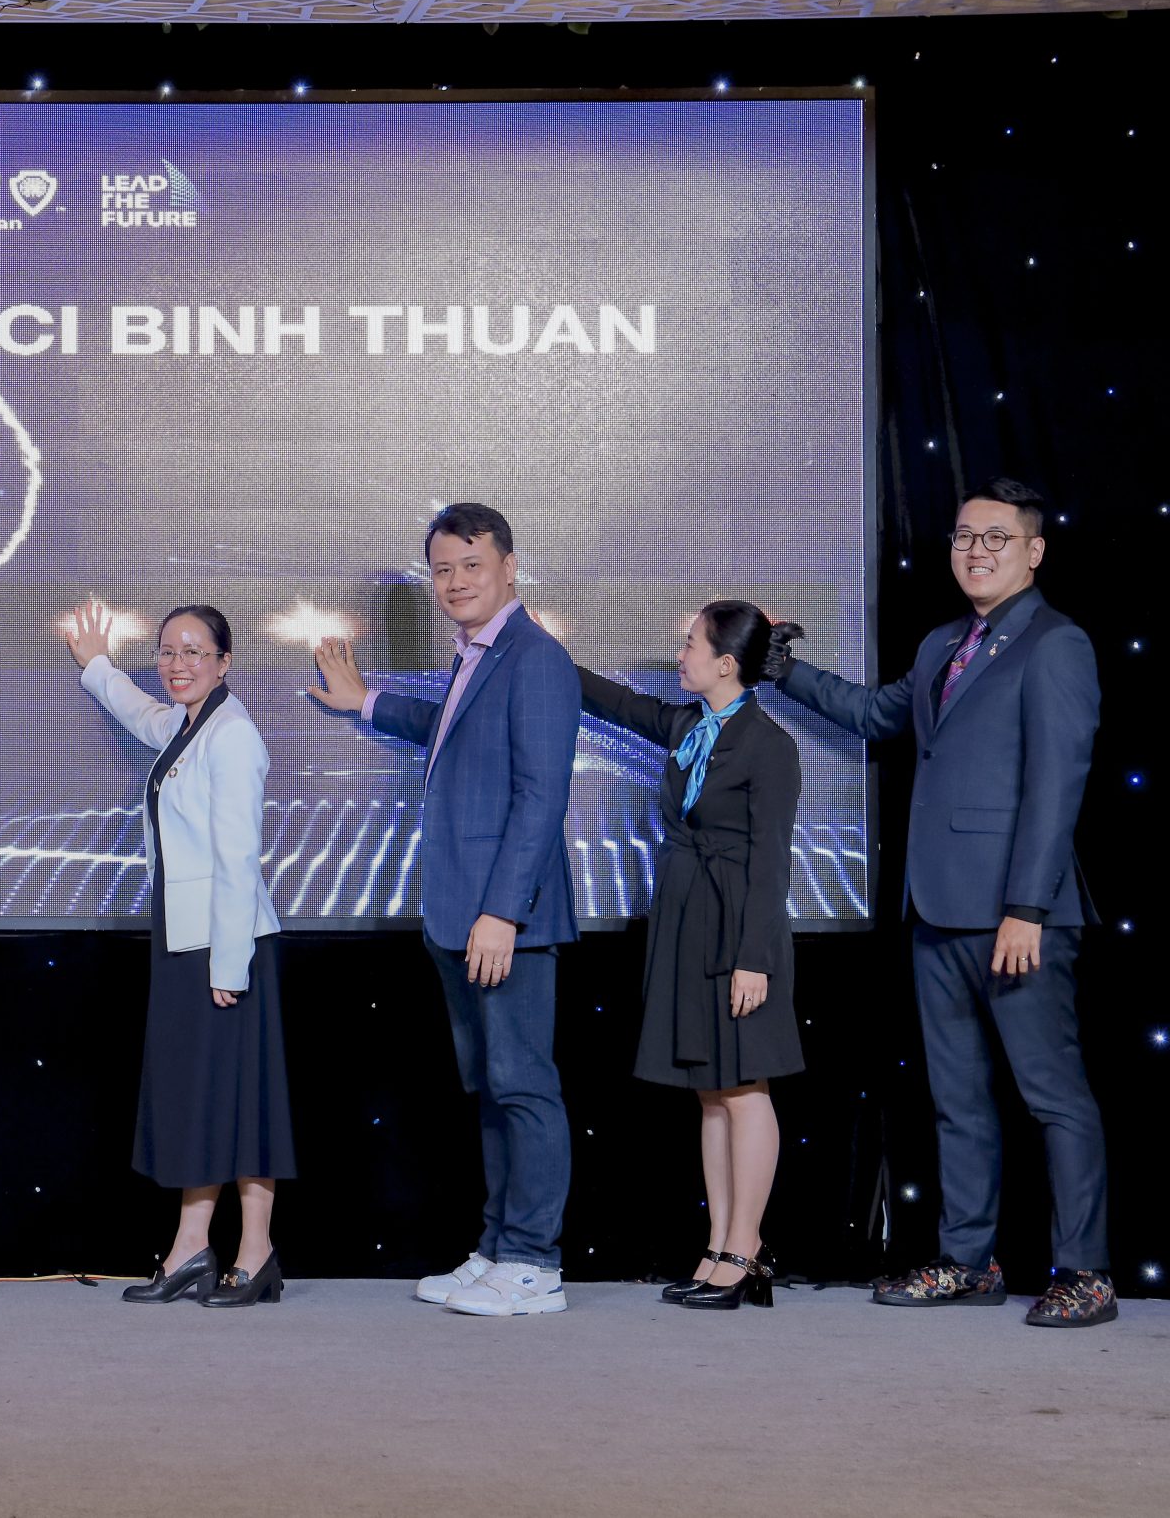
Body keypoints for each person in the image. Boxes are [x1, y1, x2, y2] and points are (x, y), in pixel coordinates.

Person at [774, 478, 1113, 1327]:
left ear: (1034, 551)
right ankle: (969, 1260)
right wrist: (783, 668)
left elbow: (1057, 786)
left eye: (997, 537)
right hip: (935, 909)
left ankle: (1086, 1271)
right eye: (965, 536)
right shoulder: (941, 645)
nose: (977, 550)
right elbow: (872, 712)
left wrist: (1027, 907)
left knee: (1053, 1097)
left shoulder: (1057, 644)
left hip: (1017, 917)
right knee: (958, 1098)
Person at [306, 502, 580, 1317]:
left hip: (505, 920)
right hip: (459, 915)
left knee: (524, 1086)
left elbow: (541, 796)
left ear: (509, 567)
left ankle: (535, 1263)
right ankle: (498, 1246)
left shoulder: (535, 657)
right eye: (443, 569)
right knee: (493, 1087)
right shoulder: (478, 653)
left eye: (472, 564)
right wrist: (367, 700)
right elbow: (452, 729)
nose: (456, 581)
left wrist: (504, 912)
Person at [575, 602, 806, 1312]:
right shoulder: (688, 727)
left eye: (691, 643)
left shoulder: (769, 746)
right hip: (686, 919)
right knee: (710, 1091)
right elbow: (617, 702)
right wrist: (536, 646)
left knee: (744, 1089)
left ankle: (746, 1248)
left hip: (739, 927)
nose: (680, 654)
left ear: (726, 663)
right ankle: (718, 1245)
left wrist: (753, 958)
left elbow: (771, 863)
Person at [70, 600, 295, 1308]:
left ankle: (255, 1253)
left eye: (194, 651)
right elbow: (141, 714)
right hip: (184, 937)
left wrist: (228, 966)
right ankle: (191, 1246)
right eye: (167, 650)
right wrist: (98, 666)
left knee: (243, 1099)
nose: (177, 663)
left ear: (224, 662)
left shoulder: (232, 734)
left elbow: (238, 860)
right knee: (199, 1095)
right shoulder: (186, 723)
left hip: (225, 947)